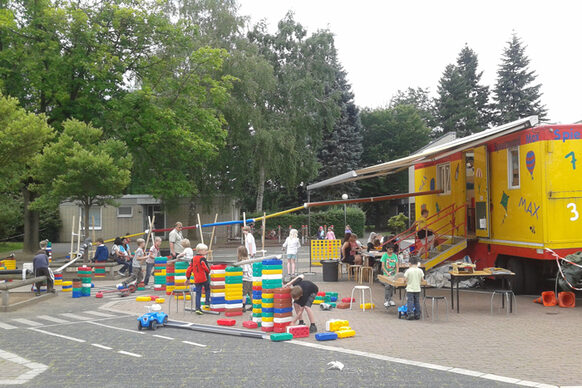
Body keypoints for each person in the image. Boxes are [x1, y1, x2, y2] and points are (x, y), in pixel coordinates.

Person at [186, 243, 211, 315]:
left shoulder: (193, 259)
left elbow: (189, 269)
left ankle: (197, 308)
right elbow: (206, 268)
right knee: (207, 289)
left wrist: (188, 278)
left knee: (198, 293)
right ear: (200, 251)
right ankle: (207, 303)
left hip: (196, 279)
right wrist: (209, 270)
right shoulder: (202, 259)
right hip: (204, 278)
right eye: (205, 250)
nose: (206, 252)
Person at [237, 246, 252, 310]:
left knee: (244, 293)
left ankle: (243, 306)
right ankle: (254, 305)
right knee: (251, 293)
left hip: (245, 279)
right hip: (251, 278)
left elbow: (244, 270)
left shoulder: (242, 262)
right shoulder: (249, 260)